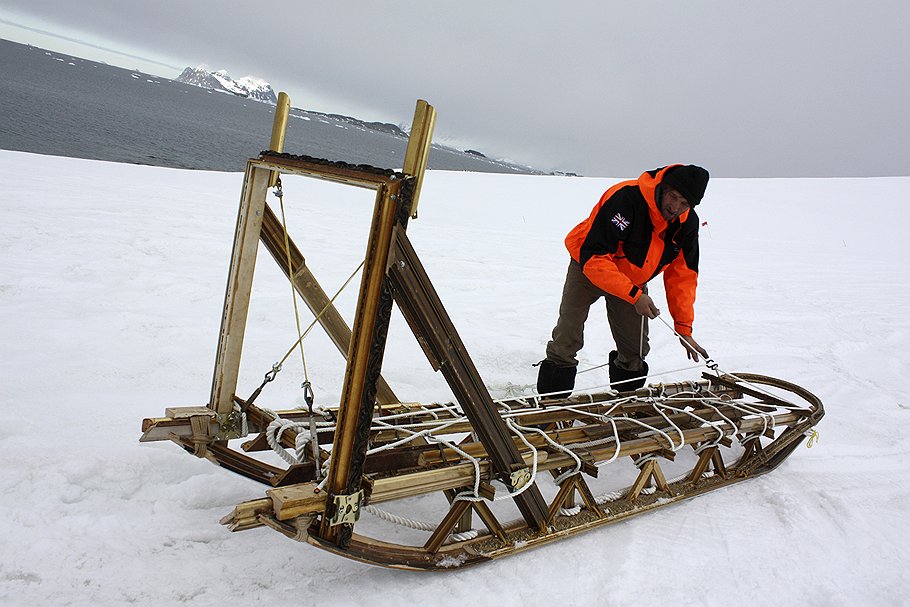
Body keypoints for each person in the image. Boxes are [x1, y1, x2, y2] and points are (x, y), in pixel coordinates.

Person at [537, 164, 711, 398]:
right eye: (673, 197)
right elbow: (595, 257)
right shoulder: (625, 198)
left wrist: (684, 328)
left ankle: (625, 404)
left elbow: (683, 277)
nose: (675, 207)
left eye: (684, 204)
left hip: (633, 280)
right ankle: (552, 403)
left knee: (635, 350)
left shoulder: (686, 224)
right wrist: (635, 296)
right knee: (567, 338)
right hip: (587, 266)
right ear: (663, 187)